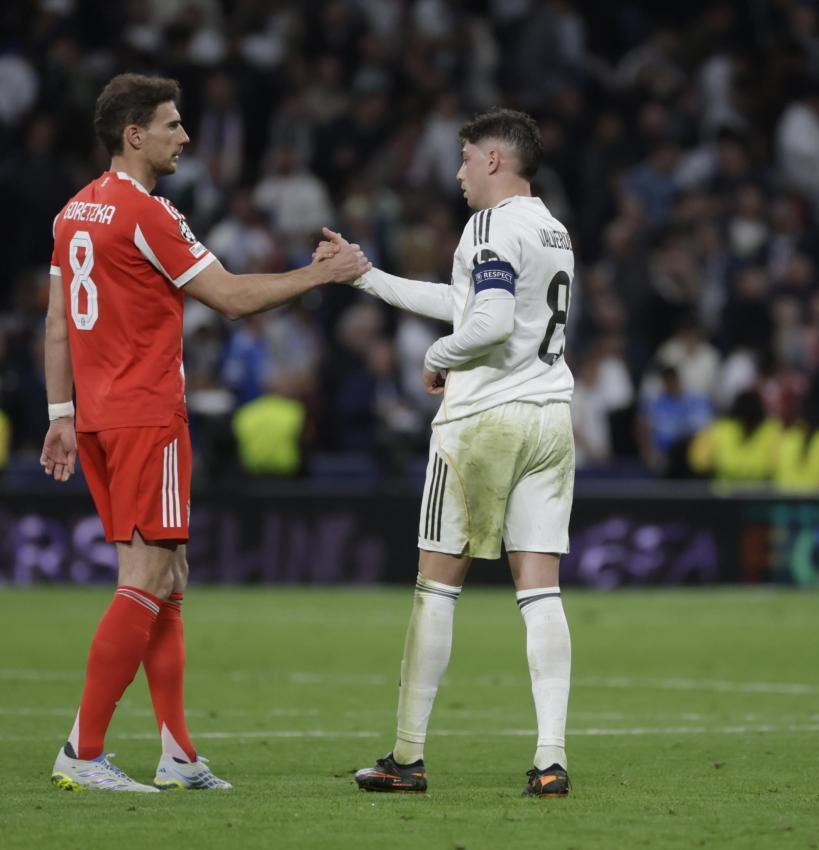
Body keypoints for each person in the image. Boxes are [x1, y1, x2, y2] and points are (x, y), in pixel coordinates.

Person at [40, 73, 369, 793]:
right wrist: (321, 275)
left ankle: (178, 753)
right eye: (171, 125)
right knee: (147, 577)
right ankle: (82, 751)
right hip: (146, 413)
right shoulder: (148, 213)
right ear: (135, 136)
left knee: (169, 576)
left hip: (96, 416)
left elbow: (59, 320)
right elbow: (227, 297)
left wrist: (58, 416)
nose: (184, 137)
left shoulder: (73, 213)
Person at [318, 108, 575, 797]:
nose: (457, 173)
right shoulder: (551, 228)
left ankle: (406, 758)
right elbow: (469, 302)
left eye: (465, 159)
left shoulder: (489, 225)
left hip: (483, 422)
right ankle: (551, 759)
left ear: (494, 160)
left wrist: (435, 358)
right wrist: (366, 277)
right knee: (540, 590)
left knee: (437, 586)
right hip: (549, 419)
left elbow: (482, 326)